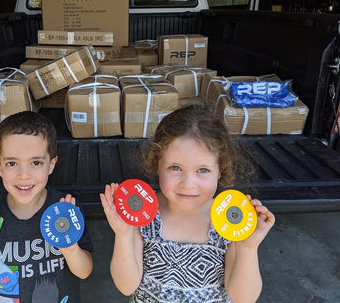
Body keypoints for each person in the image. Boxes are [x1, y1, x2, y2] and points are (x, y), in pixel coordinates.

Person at [100, 104, 275, 303]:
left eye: (202, 170)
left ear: (221, 170)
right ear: (157, 164)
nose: (188, 184)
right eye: (175, 167)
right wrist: (123, 234)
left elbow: (243, 299)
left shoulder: (229, 219)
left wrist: (248, 248)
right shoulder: (144, 213)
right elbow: (126, 286)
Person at [0, 111, 93, 302]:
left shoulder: (66, 210)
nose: (24, 175)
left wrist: (70, 248)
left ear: (51, 165)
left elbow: (84, 272)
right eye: (12, 163)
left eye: (36, 162)